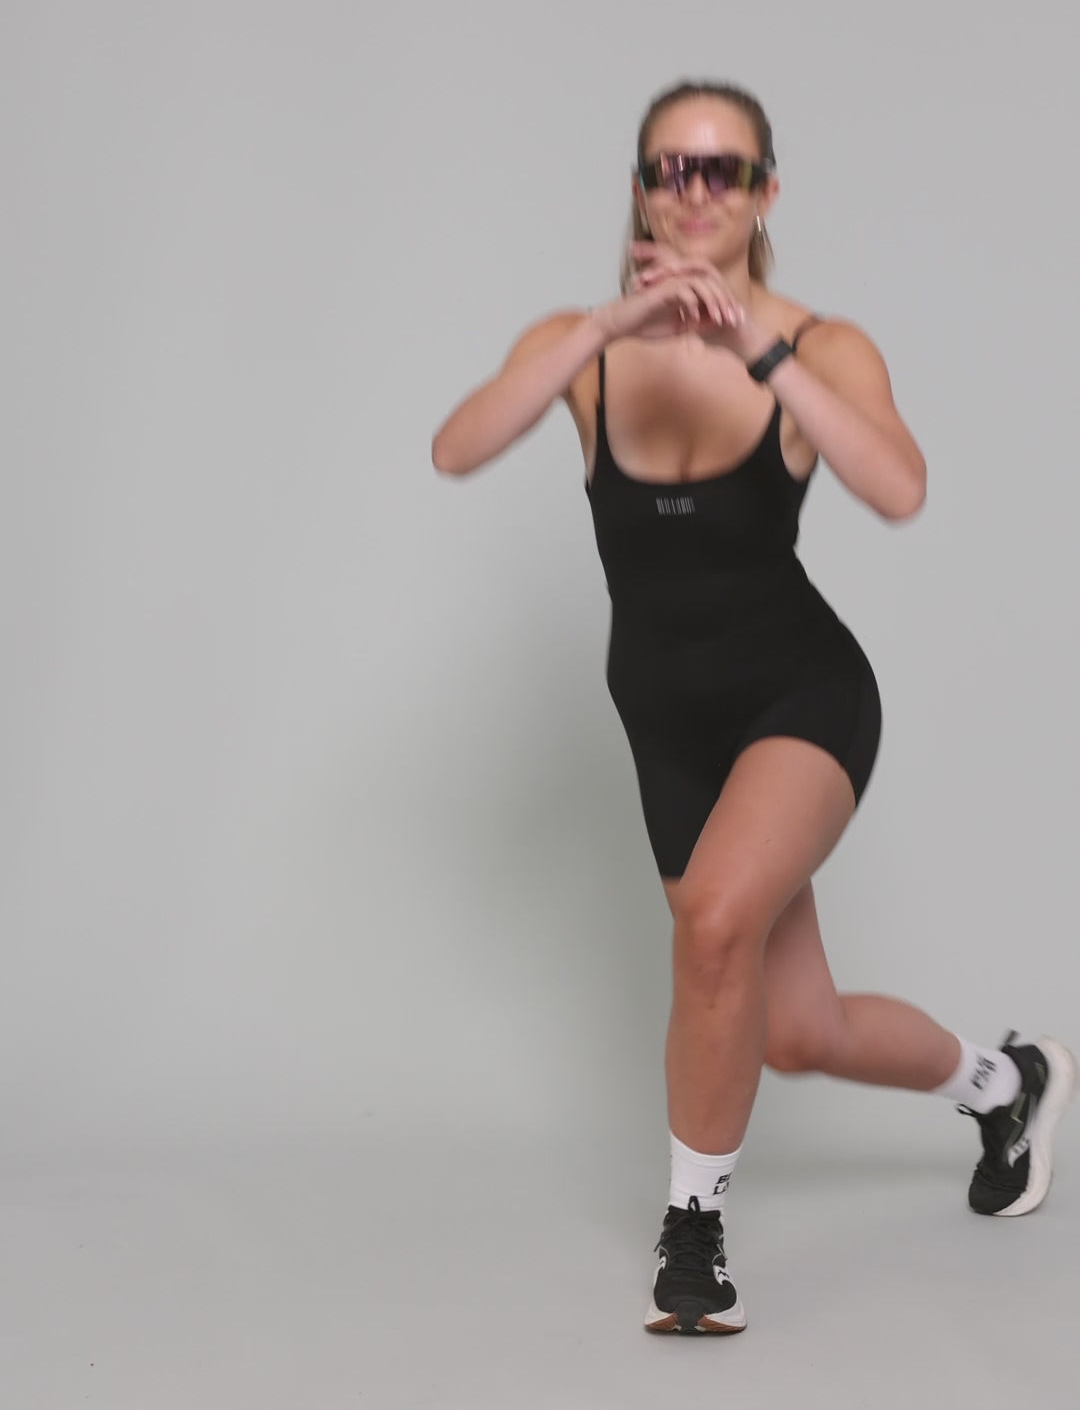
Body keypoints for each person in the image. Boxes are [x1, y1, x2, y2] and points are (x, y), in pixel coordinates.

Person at [430, 78, 1076, 1336]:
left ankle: (694, 1235)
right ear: (639, 190)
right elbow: (457, 447)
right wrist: (609, 321)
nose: (694, 192)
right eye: (669, 168)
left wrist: (756, 353)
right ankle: (1010, 1084)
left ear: (765, 192)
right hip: (664, 720)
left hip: (800, 693)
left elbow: (899, 487)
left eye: (721, 169)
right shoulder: (582, 349)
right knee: (797, 1031)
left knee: (715, 924)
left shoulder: (817, 345)